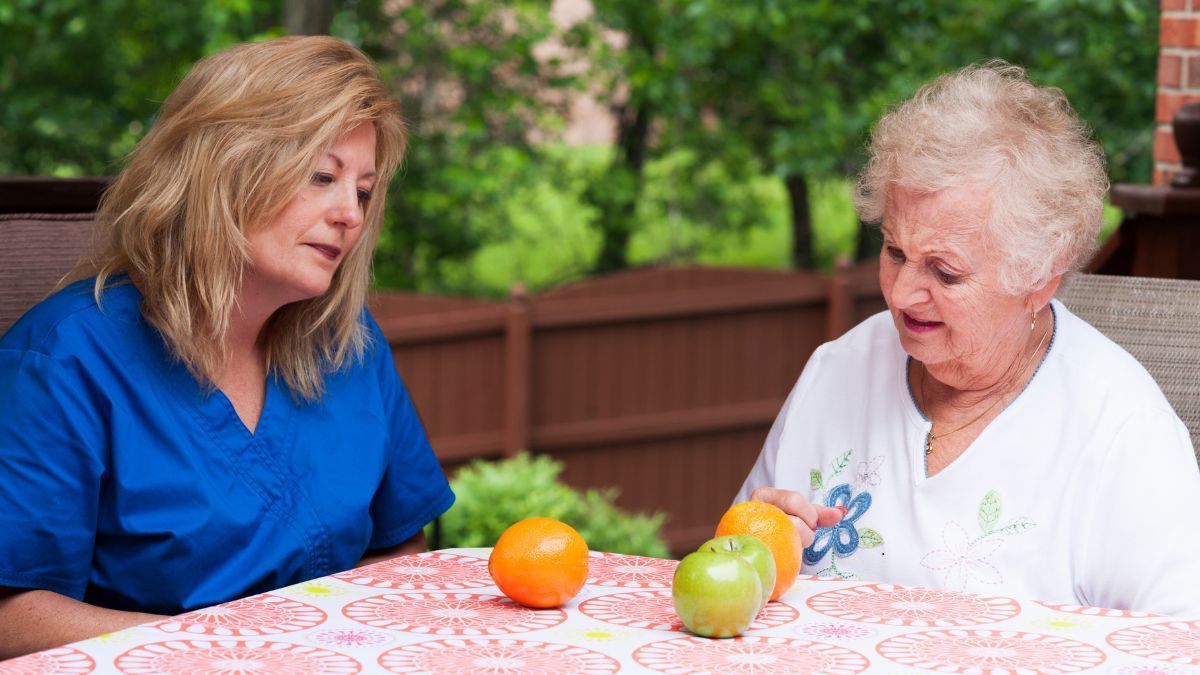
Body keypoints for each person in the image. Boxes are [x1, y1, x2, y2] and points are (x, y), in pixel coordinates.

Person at [0, 36, 455, 657]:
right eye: (322, 176)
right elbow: (14, 616)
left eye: (364, 191)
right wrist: (236, 650)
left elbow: (398, 539)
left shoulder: (349, 345)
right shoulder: (61, 359)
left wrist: (348, 643)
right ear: (223, 168)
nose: (350, 212)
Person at [737, 61, 1200, 616]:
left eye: (945, 271)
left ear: (1038, 277)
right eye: (894, 252)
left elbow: (1177, 646)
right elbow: (727, 583)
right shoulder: (837, 371)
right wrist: (754, 553)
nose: (903, 293)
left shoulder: (1121, 431)